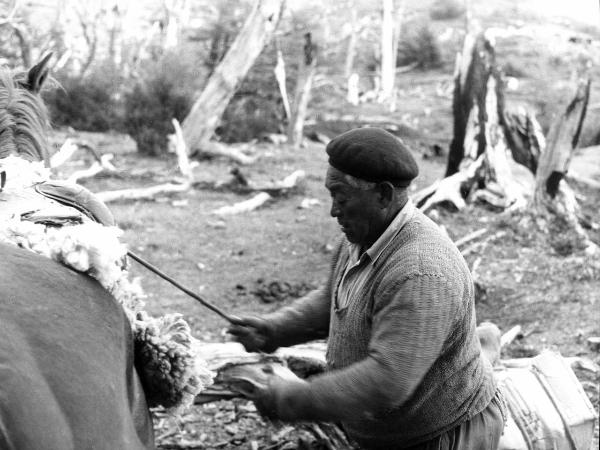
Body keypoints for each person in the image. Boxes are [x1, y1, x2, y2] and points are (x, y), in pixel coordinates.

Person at [228, 127, 505, 449]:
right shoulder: (363, 235)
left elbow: (388, 380)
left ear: (384, 195)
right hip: (392, 433)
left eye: (342, 197)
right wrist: (276, 329)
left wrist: (291, 399)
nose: (333, 210)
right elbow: (335, 299)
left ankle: (485, 347)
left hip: (441, 434)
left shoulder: (420, 272)